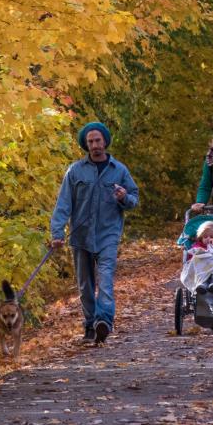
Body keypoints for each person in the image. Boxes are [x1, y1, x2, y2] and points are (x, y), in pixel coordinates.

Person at [49, 121, 140, 345]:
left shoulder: (119, 170)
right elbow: (63, 204)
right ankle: (91, 325)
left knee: (106, 279)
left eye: (98, 140)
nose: (95, 145)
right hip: (80, 236)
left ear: (105, 141)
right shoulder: (75, 171)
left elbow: (134, 199)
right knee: (85, 286)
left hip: (108, 234)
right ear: (86, 144)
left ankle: (104, 322)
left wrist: (124, 198)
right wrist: (57, 232)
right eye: (90, 142)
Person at [180, 220, 213, 292]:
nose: (208, 239)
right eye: (205, 237)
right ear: (201, 238)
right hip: (201, 268)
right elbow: (192, 258)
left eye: (211, 237)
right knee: (197, 261)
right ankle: (201, 283)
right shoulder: (197, 246)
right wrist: (198, 253)